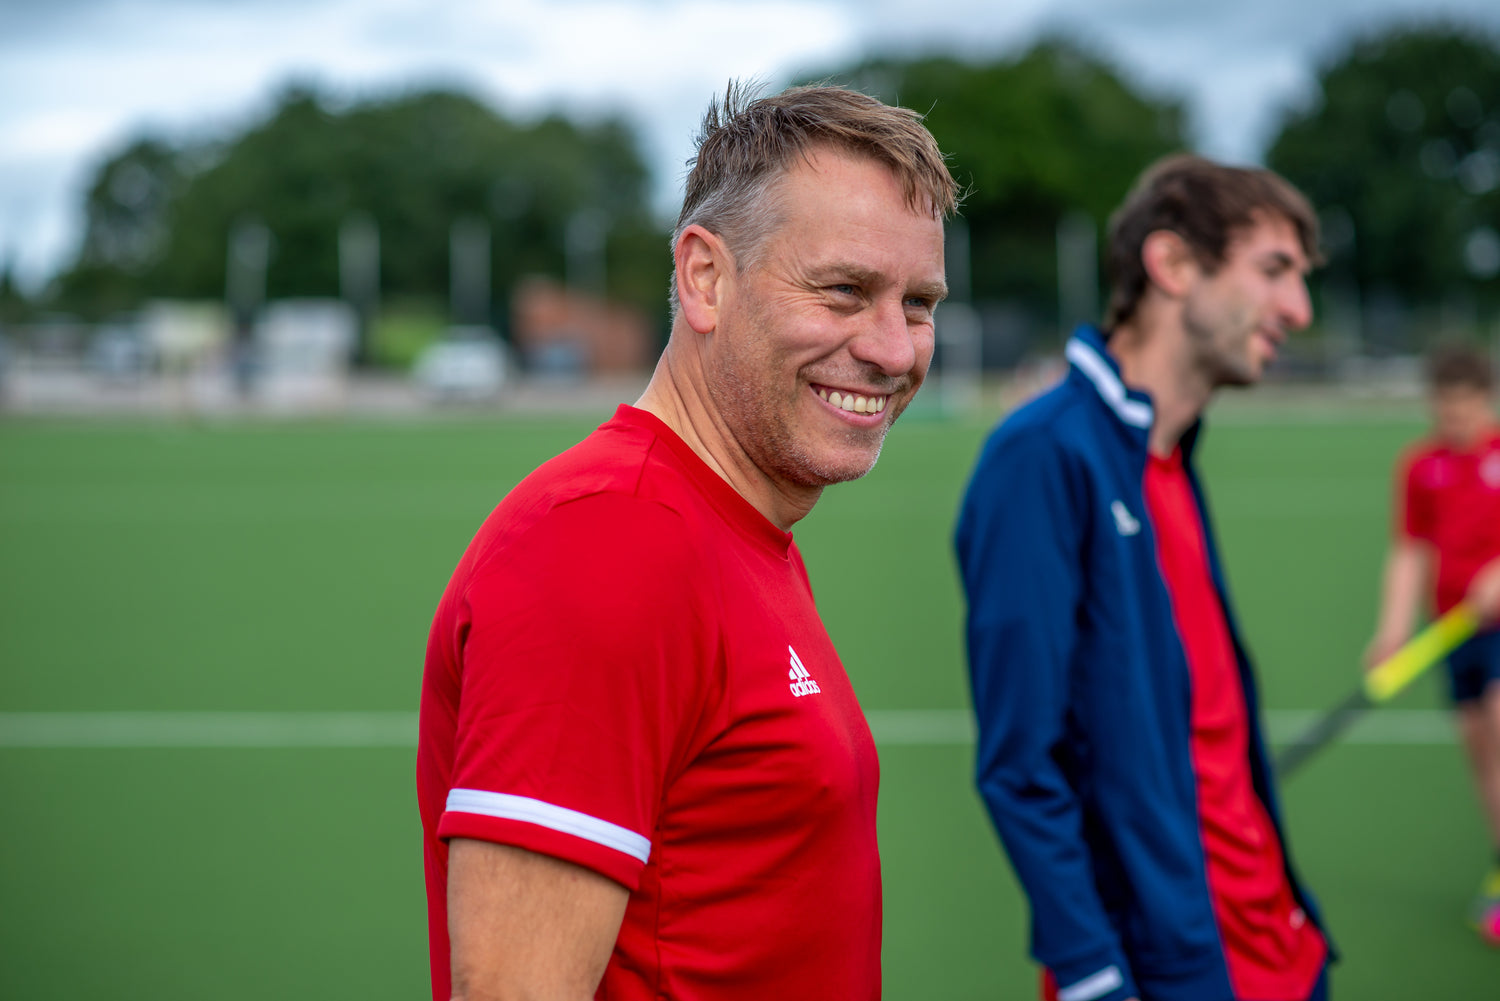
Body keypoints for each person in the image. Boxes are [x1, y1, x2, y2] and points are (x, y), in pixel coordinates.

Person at [417, 83, 958, 1001]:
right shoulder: (609, 542)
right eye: (844, 290)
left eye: (918, 303)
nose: (894, 350)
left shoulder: (731, 524)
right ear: (705, 278)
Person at [954, 155, 1333, 1001]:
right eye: (1274, 270)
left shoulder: (1166, 451)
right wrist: (1093, 975)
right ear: (1172, 264)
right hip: (1165, 973)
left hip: (1283, 952)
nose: (1298, 309)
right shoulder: (1041, 456)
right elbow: (1022, 766)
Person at [1364, 343, 1500, 943]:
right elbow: (1409, 551)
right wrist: (1393, 630)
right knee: (1482, 756)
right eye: (1445, 409)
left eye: (1465, 409)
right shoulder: (1420, 466)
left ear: (1486, 400)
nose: (1455, 420)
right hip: (1452, 631)